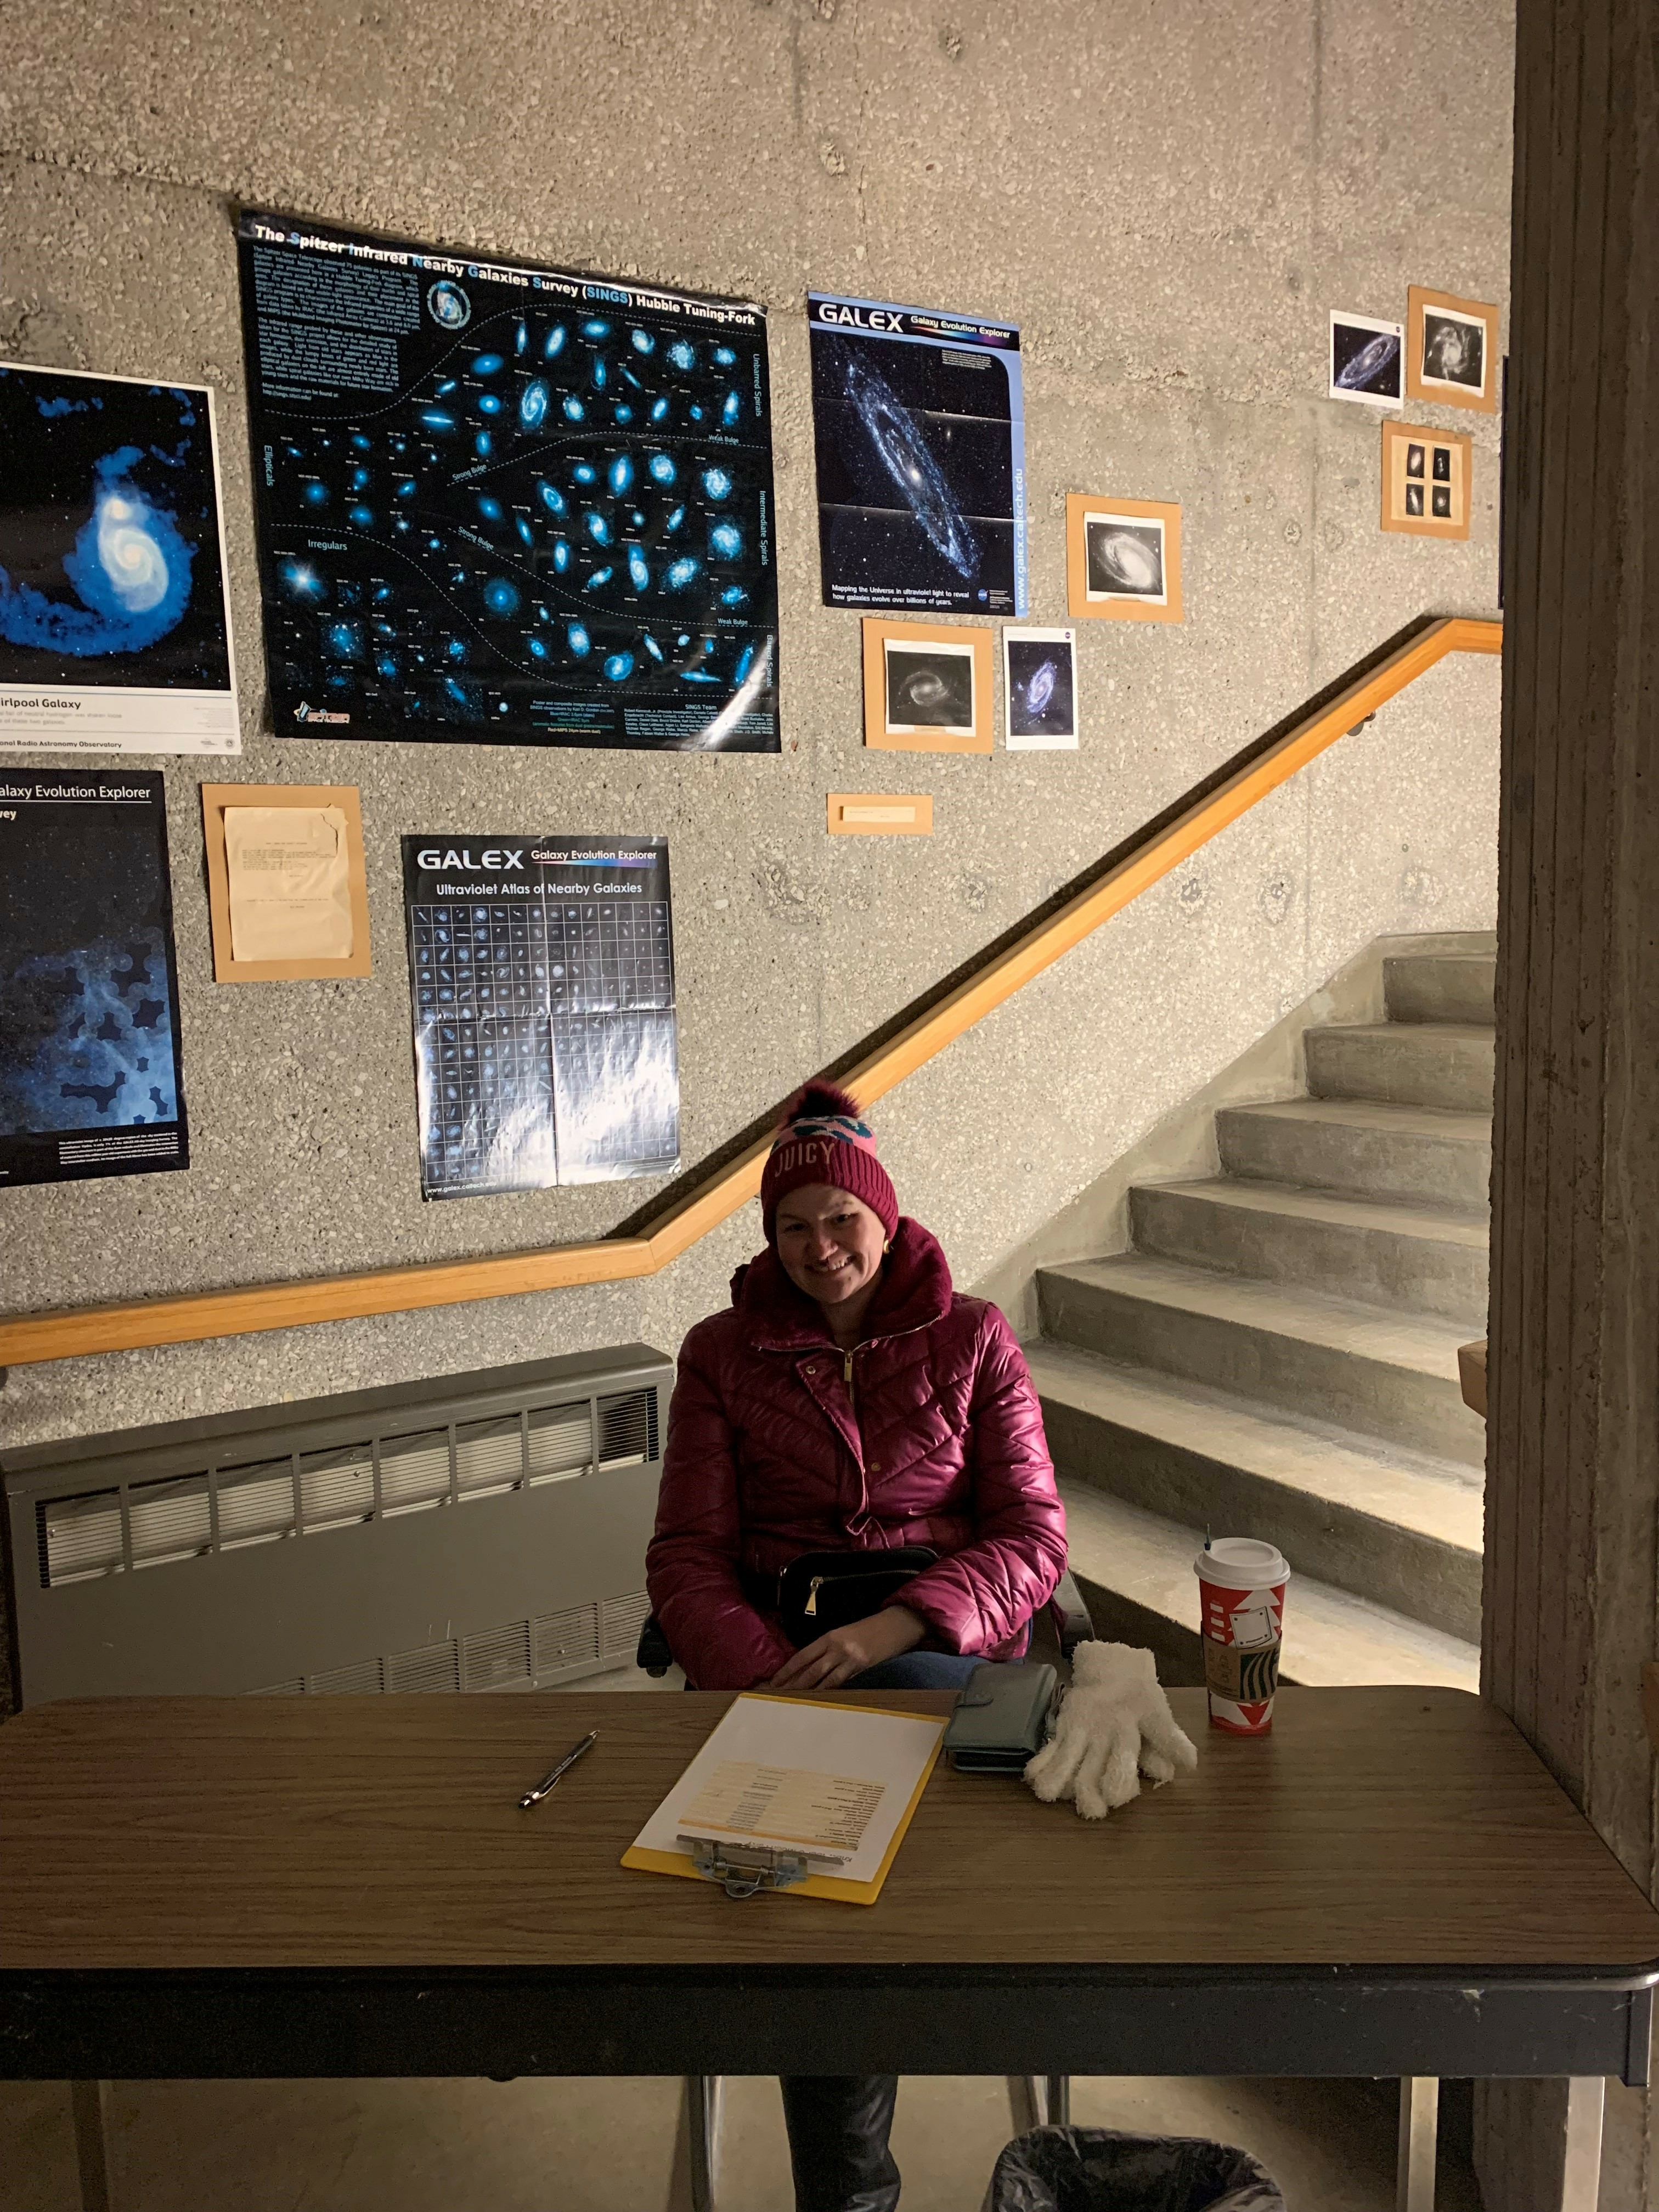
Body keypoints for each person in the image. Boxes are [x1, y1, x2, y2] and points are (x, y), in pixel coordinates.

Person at [647, 1080, 1066, 2212]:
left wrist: (901, 1622)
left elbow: (1034, 1536)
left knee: (971, 1859)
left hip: (947, 1654)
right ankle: (852, 2192)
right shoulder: (720, 1354)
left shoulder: (974, 1336)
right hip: (780, 1671)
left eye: (843, 1220)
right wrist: (767, 1680)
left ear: (886, 1217)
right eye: (793, 1226)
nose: (821, 1247)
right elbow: (686, 1559)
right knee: (820, 1905)